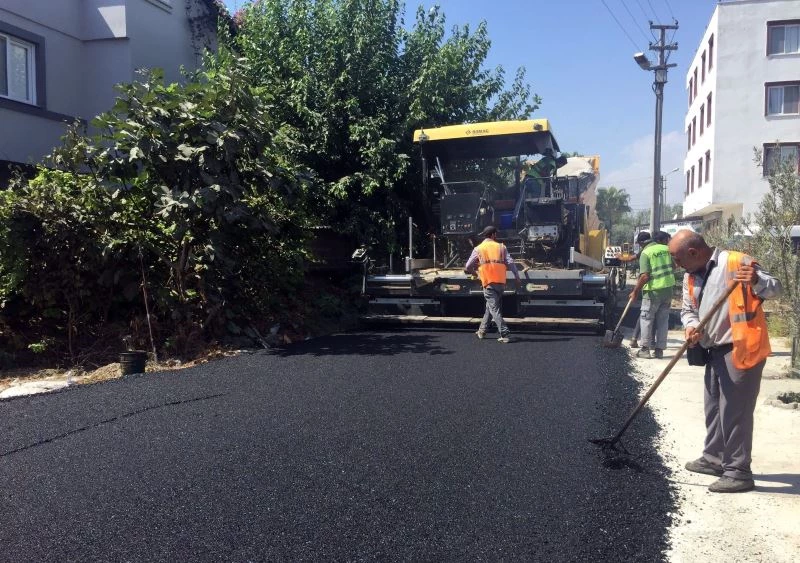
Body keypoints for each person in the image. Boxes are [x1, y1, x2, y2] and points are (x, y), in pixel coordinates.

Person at [668, 230, 782, 493]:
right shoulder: (690, 276)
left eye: (677, 258)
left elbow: (776, 288)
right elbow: (688, 310)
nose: (677, 265)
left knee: (735, 412)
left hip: (741, 348)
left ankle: (738, 472)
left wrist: (755, 280)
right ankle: (714, 458)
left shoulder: (736, 262)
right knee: (714, 409)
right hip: (713, 350)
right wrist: (691, 326)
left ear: (693, 252)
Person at [464, 225, 521, 343]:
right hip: (500, 282)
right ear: (493, 235)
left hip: (488, 282)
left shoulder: (478, 248)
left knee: (494, 308)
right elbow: (510, 262)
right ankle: (482, 331)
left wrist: (475, 273)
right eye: (496, 234)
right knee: (490, 307)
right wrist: (517, 276)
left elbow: (468, 266)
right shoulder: (501, 247)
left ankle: (504, 333)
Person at [630, 230, 676, 359]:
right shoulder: (665, 249)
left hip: (653, 292)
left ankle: (645, 349)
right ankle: (659, 350)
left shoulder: (646, 253)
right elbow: (674, 266)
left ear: (640, 244)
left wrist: (635, 291)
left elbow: (644, 276)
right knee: (663, 321)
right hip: (668, 290)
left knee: (646, 319)